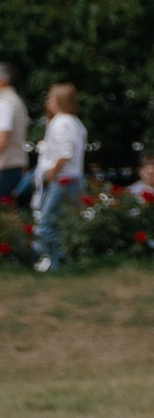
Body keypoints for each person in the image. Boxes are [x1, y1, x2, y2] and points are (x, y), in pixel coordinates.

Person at [31, 84, 87, 274]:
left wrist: (52, 173)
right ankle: (66, 258)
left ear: (59, 101)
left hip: (62, 179)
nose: (48, 102)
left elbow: (65, 152)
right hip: (72, 178)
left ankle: (52, 260)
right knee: (66, 221)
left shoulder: (62, 122)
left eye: (50, 98)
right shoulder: (75, 122)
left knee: (47, 220)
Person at [0, 63, 28, 205]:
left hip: (5, 167)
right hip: (14, 166)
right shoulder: (16, 100)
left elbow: (2, 139)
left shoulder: (4, 103)